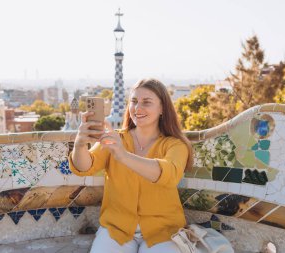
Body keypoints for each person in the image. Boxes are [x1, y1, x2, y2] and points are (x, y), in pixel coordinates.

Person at [69, 78, 193, 253]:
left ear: (162, 108)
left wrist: (123, 155)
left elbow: (169, 174)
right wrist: (79, 144)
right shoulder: (116, 138)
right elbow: (84, 167)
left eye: (147, 102)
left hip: (163, 232)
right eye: (134, 101)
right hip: (116, 229)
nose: (137, 108)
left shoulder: (175, 145)